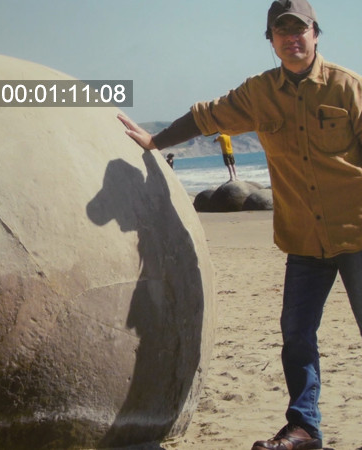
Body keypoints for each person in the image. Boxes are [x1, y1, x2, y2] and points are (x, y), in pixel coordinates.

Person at [117, 1, 362, 449]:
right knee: (296, 336)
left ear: (316, 34)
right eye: (281, 31)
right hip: (304, 241)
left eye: (300, 30)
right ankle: (304, 427)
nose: (292, 39)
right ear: (270, 40)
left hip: (358, 233)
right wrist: (155, 140)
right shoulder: (258, 93)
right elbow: (207, 115)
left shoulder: (349, 89)